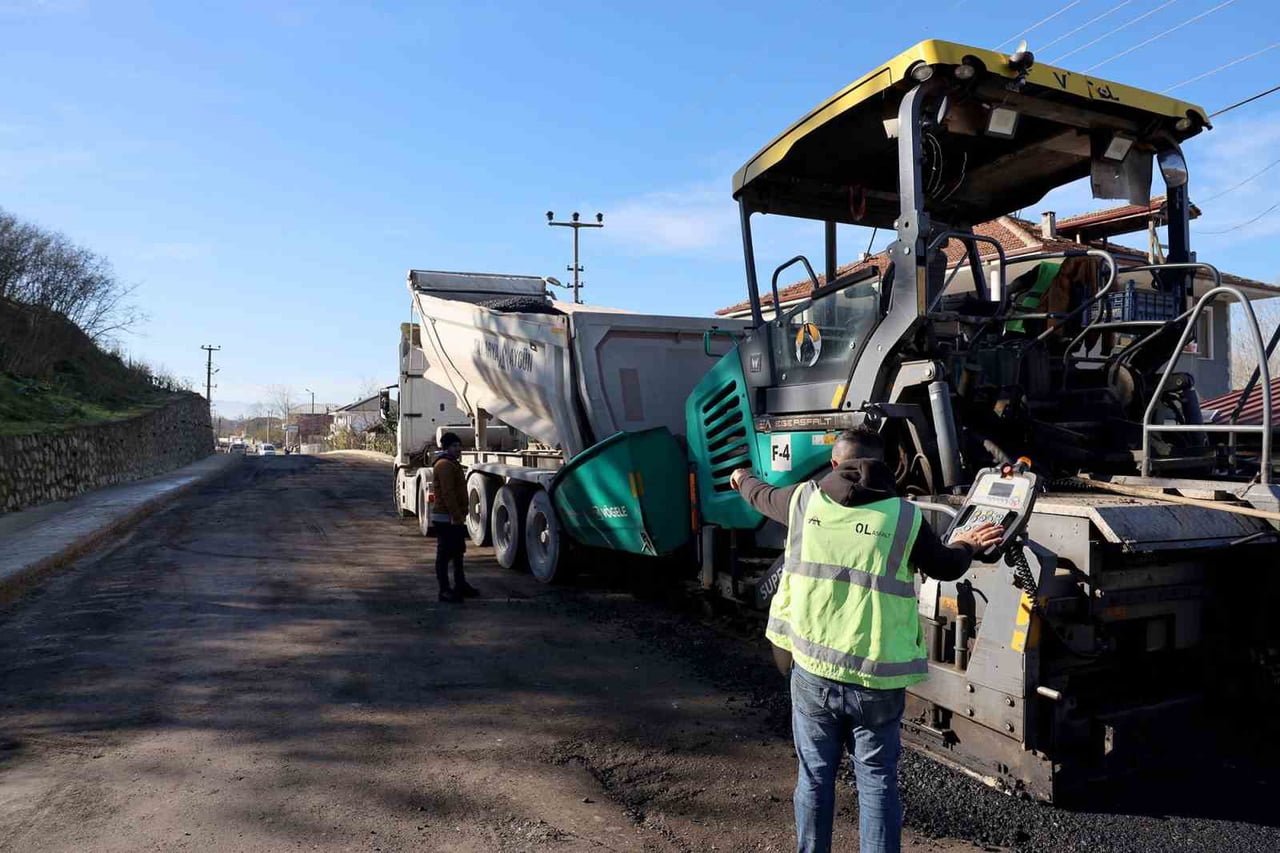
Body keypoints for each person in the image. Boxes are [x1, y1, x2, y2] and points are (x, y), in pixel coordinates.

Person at [729, 427, 1002, 853]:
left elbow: (759, 494)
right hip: (876, 680)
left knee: (815, 778)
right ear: (885, 466)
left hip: (814, 673)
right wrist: (967, 543)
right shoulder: (904, 517)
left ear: (834, 463)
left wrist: (741, 476)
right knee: (877, 782)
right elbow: (946, 566)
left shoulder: (803, 500)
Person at [431, 432, 480, 603]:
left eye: (459, 445)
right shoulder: (444, 465)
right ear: (446, 448)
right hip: (446, 517)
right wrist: (456, 515)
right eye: (454, 446)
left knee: (458, 552)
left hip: (453, 516)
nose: (458, 449)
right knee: (444, 555)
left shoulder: (452, 463)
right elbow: (448, 493)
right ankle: (444, 590)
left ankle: (460, 584)